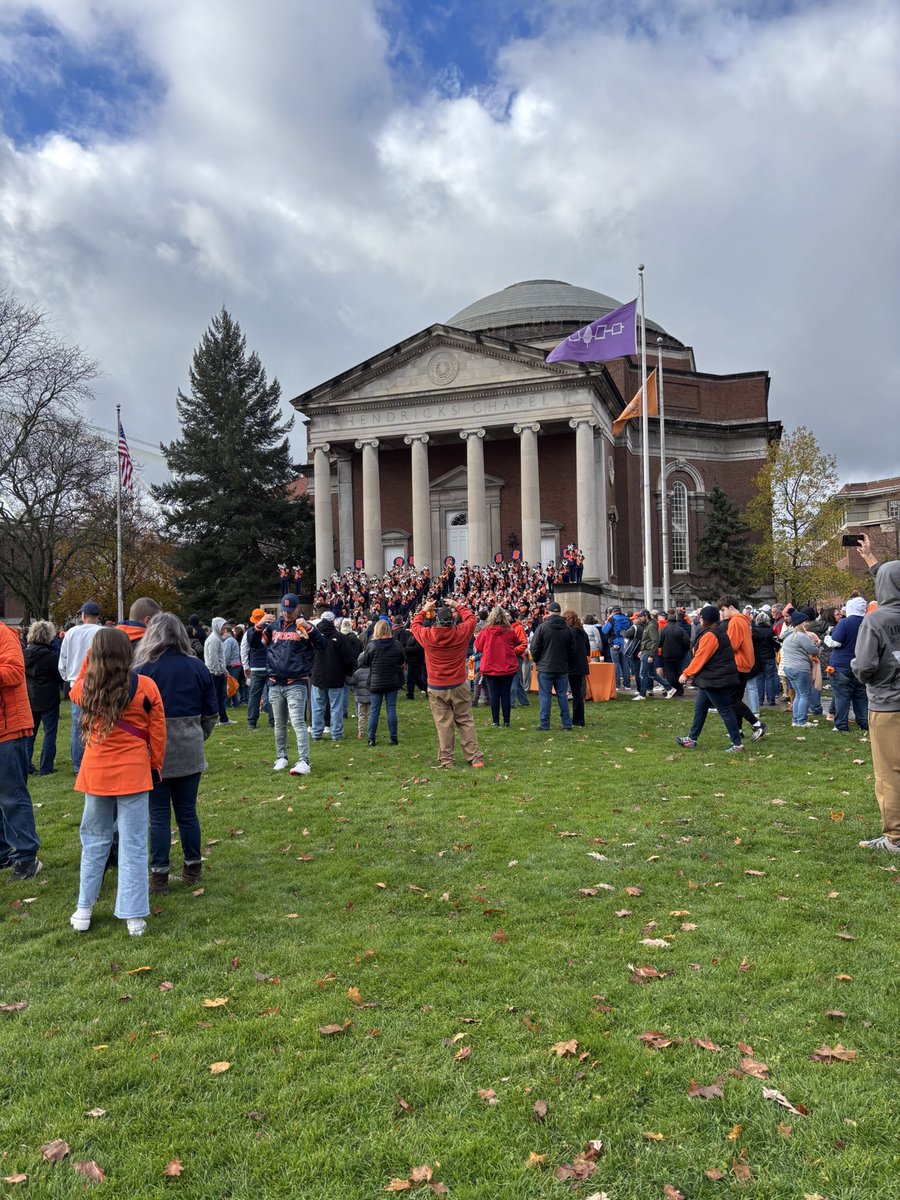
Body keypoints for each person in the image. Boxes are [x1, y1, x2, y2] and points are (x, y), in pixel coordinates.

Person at [69, 628, 166, 936]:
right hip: (135, 772)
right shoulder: (146, 686)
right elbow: (158, 734)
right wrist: (154, 767)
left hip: (96, 773)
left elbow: (80, 676)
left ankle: (84, 909)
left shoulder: (84, 688)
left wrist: (95, 652)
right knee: (134, 844)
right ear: (129, 654)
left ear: (94, 655)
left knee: (94, 841)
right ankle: (134, 916)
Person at [133, 613, 218, 894]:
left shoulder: (142, 669)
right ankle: (192, 867)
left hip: (152, 750)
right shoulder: (197, 666)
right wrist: (196, 735)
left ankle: (159, 876)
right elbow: (211, 713)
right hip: (189, 745)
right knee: (187, 813)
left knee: (158, 815)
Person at [851, 559, 899, 853]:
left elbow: (865, 665)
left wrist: (858, 667)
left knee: (890, 772)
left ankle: (895, 837)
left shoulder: (876, 619)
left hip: (887, 704)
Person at [411, 598, 484, 768]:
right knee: (465, 720)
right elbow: (472, 619)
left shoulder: (428, 635)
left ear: (436, 621)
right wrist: (456, 604)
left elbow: (415, 625)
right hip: (458, 683)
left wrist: (424, 609)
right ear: (452, 621)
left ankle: (447, 760)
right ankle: (474, 758)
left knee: (444, 725)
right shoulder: (460, 632)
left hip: (437, 686)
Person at [259, 594, 325, 775]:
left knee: (297, 723)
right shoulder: (273, 627)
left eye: (290, 611)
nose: (286, 615)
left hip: (296, 681)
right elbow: (255, 644)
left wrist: (310, 629)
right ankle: (281, 757)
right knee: (279, 723)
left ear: (297, 609)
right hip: (275, 681)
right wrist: (257, 627)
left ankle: (304, 761)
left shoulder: (304, 626)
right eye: (284, 611)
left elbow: (322, 645)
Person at [0, 618, 42, 880]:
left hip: (8, 728)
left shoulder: (4, 634)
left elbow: (15, 672)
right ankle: (4, 852)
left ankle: (26, 857)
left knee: (11, 795)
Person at [674, 605, 744, 752]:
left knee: (725, 710)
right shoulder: (714, 632)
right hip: (711, 679)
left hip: (716, 680)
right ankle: (692, 739)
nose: (698, 619)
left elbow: (701, 657)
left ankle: (737, 744)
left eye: (700, 617)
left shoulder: (710, 635)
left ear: (704, 619)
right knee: (700, 708)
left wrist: (686, 673)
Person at [57, 600, 103, 772]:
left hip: (77, 683)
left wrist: (68, 679)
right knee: (100, 723)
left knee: (78, 726)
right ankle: (96, 761)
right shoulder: (104, 632)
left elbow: (63, 660)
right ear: (97, 616)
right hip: (100, 682)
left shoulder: (71, 633)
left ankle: (78, 765)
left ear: (83, 615)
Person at [717, 596, 767, 741]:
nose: (722, 614)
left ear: (731, 607)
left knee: (731, 699)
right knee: (736, 699)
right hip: (745, 663)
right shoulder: (743, 620)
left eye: (723, 610)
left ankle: (757, 725)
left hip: (738, 664)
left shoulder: (736, 621)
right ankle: (738, 730)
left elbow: (732, 645)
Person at [825, 596, 869, 734]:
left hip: (841, 666)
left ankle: (841, 725)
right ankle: (864, 723)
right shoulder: (868, 622)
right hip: (861, 665)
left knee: (842, 697)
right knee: (861, 697)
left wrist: (827, 638)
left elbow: (835, 642)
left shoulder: (845, 623)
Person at [475, 607, 525, 728]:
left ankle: (495, 721)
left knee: (494, 694)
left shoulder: (486, 631)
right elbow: (516, 643)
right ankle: (506, 721)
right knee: (505, 694)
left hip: (491, 666)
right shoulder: (510, 631)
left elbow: (478, 646)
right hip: (507, 666)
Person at [310, 611, 356, 741]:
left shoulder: (314, 636)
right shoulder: (340, 637)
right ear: (333, 621)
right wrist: (347, 672)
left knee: (318, 707)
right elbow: (349, 658)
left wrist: (310, 672)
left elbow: (307, 655)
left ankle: (316, 733)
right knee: (336, 707)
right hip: (335, 677)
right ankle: (336, 733)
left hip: (318, 676)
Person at [529, 601, 576, 730]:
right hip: (561, 667)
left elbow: (534, 648)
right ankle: (567, 723)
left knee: (545, 696)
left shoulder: (543, 628)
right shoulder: (567, 629)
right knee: (562, 695)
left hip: (546, 667)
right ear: (559, 612)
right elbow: (572, 650)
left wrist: (538, 660)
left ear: (548, 612)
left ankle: (545, 724)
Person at [359, 619, 406, 745]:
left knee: (374, 710)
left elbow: (365, 662)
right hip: (392, 680)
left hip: (376, 681)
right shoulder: (396, 645)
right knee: (391, 708)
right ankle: (393, 737)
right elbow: (402, 660)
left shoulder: (371, 646)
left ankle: (371, 738)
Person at [24, 620, 61, 776]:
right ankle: (46, 767)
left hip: (30, 697)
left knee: (29, 734)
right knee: (49, 733)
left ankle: (26, 764)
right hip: (49, 698)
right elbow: (59, 677)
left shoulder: (23, 655)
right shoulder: (51, 657)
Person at [779, 608, 820, 728]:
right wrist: (817, 644)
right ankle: (802, 721)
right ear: (800, 623)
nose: (807, 623)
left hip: (789, 668)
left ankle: (796, 720)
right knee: (804, 694)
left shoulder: (788, 636)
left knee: (798, 694)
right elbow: (813, 650)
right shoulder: (801, 636)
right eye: (805, 622)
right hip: (800, 668)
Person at [244, 608, 274, 730]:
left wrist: (246, 666)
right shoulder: (271, 630)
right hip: (270, 666)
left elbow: (245, 649)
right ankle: (273, 721)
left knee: (254, 696)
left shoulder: (250, 632)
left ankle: (252, 722)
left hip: (256, 667)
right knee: (272, 695)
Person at [203, 618, 235, 726]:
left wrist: (223, 670)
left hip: (217, 672)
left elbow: (219, 657)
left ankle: (223, 719)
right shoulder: (214, 640)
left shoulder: (216, 638)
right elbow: (213, 657)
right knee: (217, 697)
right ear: (217, 626)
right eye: (223, 626)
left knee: (220, 697)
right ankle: (217, 719)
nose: (225, 629)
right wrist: (218, 671)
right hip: (214, 673)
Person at [745, 612, 779, 712]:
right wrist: (777, 647)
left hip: (757, 657)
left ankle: (760, 700)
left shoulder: (754, 632)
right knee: (770, 677)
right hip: (769, 656)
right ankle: (771, 699)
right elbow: (776, 643)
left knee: (759, 678)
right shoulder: (770, 631)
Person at [563, 609, 591, 728]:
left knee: (571, 692)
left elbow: (569, 649)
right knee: (578, 693)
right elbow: (588, 649)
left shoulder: (569, 632)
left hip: (571, 665)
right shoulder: (582, 632)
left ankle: (574, 719)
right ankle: (579, 719)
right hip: (581, 665)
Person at [657, 610, 690, 698]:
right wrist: (683, 650)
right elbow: (687, 641)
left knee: (669, 674)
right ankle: (679, 690)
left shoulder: (663, 630)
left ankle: (672, 690)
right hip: (679, 655)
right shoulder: (680, 629)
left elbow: (659, 643)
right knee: (678, 672)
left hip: (667, 655)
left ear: (667, 620)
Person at [349, 660, 371, 740]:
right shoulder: (372, 671)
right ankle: (371, 731)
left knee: (361, 716)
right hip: (370, 697)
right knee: (370, 715)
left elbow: (351, 682)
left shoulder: (357, 672)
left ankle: (361, 733)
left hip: (360, 699)